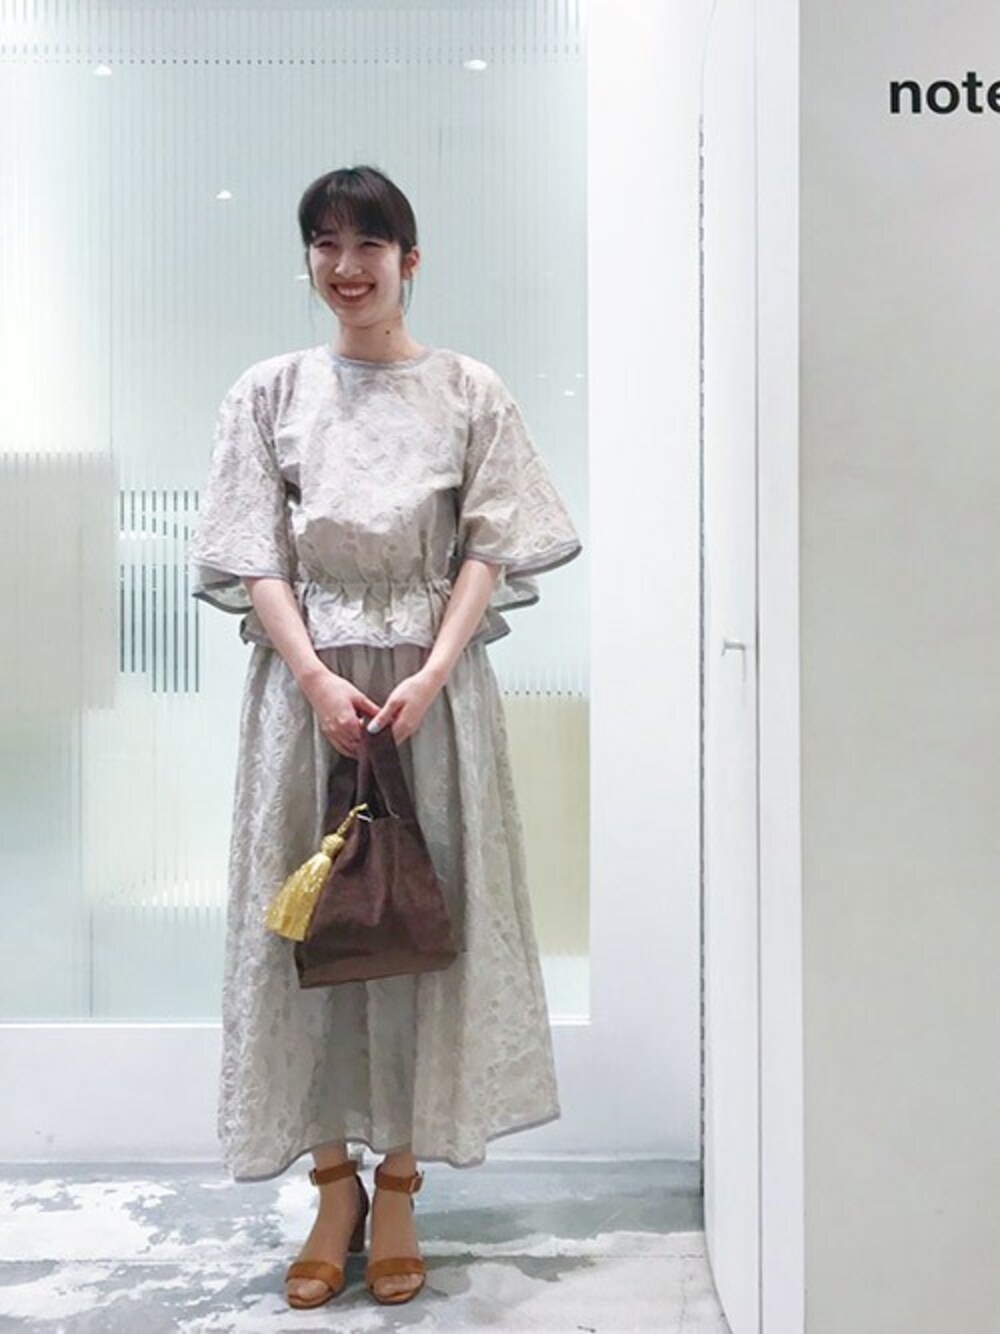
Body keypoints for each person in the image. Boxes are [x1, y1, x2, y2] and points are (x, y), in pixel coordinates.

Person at [187, 164, 583, 1310]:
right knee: (304, 922)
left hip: (429, 701)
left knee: (421, 919)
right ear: (308, 258)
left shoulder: (467, 389)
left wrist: (433, 670)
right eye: (325, 243)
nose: (346, 265)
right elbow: (253, 552)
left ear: (411, 260)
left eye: (370, 243)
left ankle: (400, 1182)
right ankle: (331, 1185)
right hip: (304, 694)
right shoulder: (268, 390)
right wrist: (315, 675)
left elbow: (489, 546)